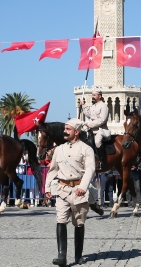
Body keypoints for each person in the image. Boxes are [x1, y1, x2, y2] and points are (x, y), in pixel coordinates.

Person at [44, 118, 95, 266]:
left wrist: (83, 187)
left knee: (78, 223)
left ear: (76, 132)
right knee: (60, 220)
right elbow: (52, 170)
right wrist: (47, 188)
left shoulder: (86, 149)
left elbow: (90, 169)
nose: (65, 131)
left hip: (79, 190)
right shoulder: (59, 149)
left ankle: (78, 255)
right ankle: (62, 256)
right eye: (65, 129)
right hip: (62, 190)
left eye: (68, 129)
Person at [81, 89, 110, 171]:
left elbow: (102, 120)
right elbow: (89, 114)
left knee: (97, 142)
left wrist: (90, 124)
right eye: (92, 95)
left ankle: (101, 161)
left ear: (99, 96)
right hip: (91, 129)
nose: (92, 96)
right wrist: (83, 105)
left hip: (100, 130)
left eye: (94, 95)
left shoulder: (103, 106)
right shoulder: (93, 106)